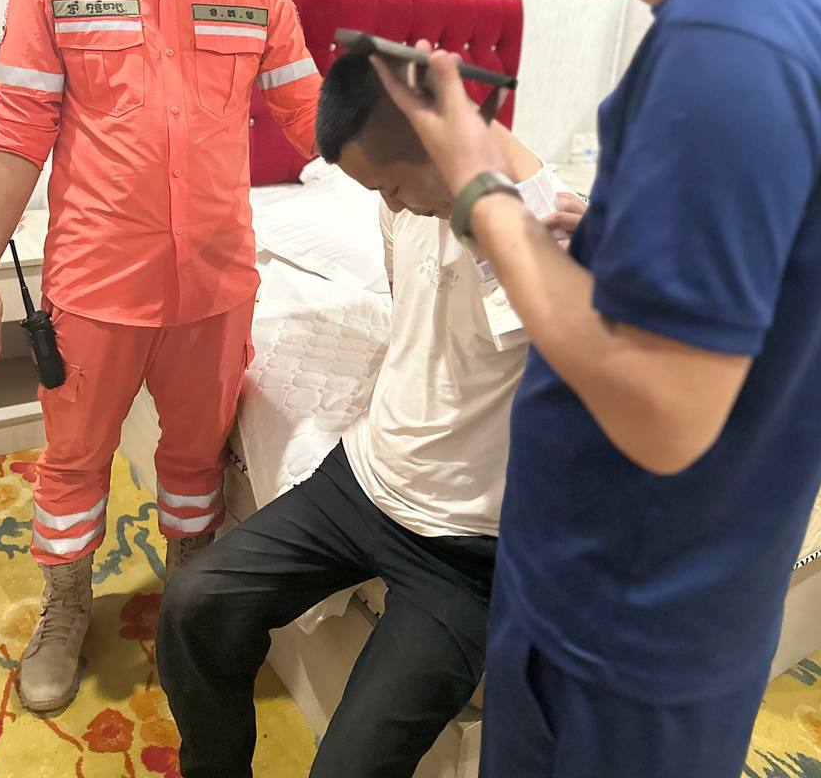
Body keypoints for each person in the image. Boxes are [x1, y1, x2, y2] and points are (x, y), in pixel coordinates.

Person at [373, 0, 821, 778]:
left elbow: (662, 409)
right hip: (697, 592)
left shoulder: (728, 44)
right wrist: (609, 234)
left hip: (617, 624)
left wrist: (478, 188)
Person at [0, 0, 320, 715]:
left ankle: (190, 597)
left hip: (215, 284)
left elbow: (312, 115)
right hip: (97, 281)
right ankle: (66, 607)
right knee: (75, 458)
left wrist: (424, 155)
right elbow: (16, 130)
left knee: (197, 460)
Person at [156, 52, 585, 778]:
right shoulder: (406, 204)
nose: (392, 203)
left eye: (390, 184)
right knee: (194, 603)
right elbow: (406, 290)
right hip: (360, 481)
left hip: (465, 551)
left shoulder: (543, 227)